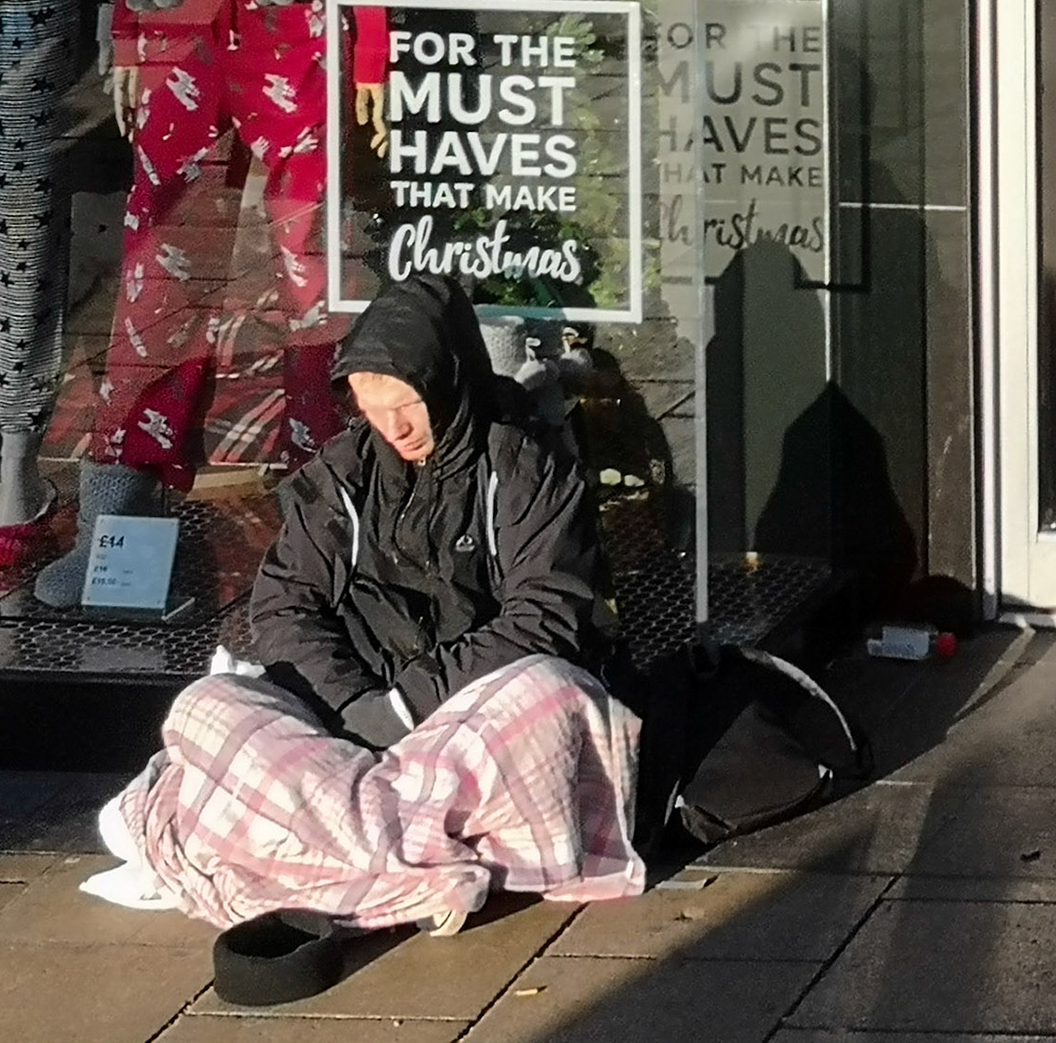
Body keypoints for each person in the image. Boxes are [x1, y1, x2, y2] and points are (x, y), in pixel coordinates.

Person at [86, 274, 644, 934]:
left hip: (468, 728)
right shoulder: (347, 471)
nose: (395, 427)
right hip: (350, 725)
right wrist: (356, 704)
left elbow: (545, 618)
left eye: (408, 403)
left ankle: (314, 858)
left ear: (448, 380)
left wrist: (409, 705)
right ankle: (406, 861)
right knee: (209, 708)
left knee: (551, 696)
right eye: (373, 408)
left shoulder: (527, 465)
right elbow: (285, 606)